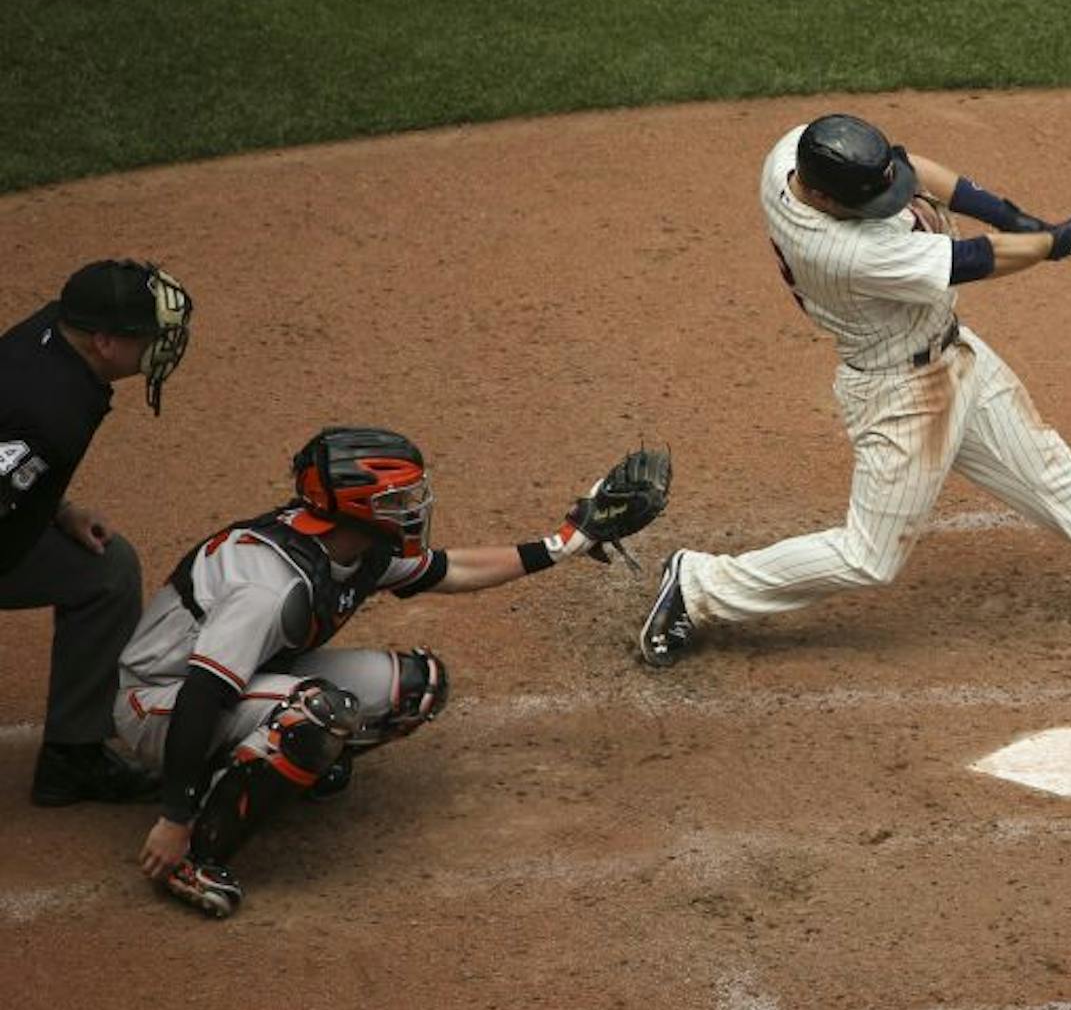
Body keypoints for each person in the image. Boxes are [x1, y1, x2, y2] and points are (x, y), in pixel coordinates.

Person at [638, 112, 1071, 669]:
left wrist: (1012, 215)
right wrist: (1047, 244)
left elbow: (914, 170)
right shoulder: (846, 254)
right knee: (869, 558)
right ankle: (697, 585)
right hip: (901, 394)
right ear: (824, 199)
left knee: (1055, 479)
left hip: (955, 352)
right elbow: (976, 261)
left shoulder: (795, 153)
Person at [117, 425, 667, 917]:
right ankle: (192, 854)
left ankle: (264, 768)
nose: (415, 505)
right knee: (315, 717)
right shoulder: (269, 586)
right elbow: (201, 695)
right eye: (398, 498)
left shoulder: (354, 545)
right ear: (360, 506)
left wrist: (564, 542)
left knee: (416, 687)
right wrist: (174, 816)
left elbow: (453, 570)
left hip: (247, 676)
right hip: (159, 704)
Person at [1, 258, 192, 806]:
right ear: (106, 342)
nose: (163, 346)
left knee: (103, 571)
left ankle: (73, 757)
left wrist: (56, 509)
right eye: (150, 337)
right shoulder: (49, 408)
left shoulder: (53, 332)